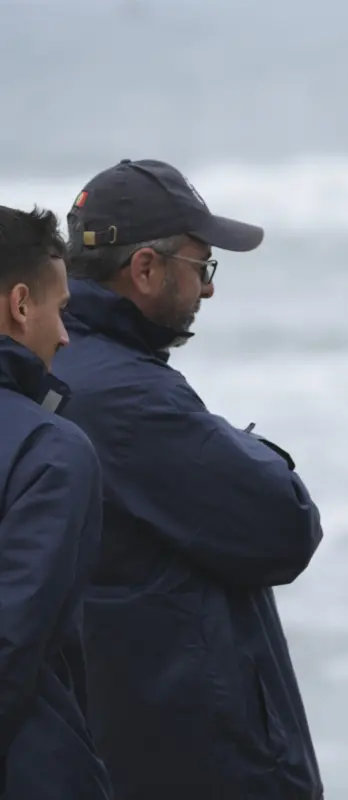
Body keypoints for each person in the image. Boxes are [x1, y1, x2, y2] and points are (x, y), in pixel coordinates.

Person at [52, 159, 326, 800]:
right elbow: (285, 525)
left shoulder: (61, 368)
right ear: (146, 269)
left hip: (111, 746)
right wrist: (252, 449)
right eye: (201, 268)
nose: (207, 291)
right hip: (194, 760)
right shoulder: (128, 399)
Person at [0, 205, 112, 798]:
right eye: (61, 310)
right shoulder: (50, 450)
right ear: (21, 305)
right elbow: (12, 641)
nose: (66, 335)